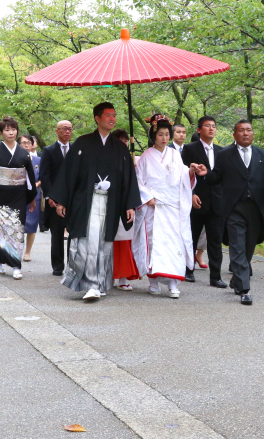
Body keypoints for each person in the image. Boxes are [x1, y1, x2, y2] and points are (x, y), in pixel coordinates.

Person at [50, 103, 141, 301]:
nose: (112, 119)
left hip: (111, 202)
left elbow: (128, 178)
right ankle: (91, 284)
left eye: (114, 115)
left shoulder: (120, 148)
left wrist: (129, 205)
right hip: (86, 202)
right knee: (88, 242)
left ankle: (99, 284)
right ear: (97, 118)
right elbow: (69, 173)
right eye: (108, 115)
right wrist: (61, 201)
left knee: (104, 244)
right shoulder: (82, 143)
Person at [194, 120, 264, 305]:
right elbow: (216, 177)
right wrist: (206, 173)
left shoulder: (263, 155)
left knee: (248, 248)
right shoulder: (225, 154)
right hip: (233, 209)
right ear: (234, 134)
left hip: (255, 209)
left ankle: (237, 279)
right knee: (237, 247)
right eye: (241, 130)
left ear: (253, 134)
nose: (245, 133)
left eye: (249, 130)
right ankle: (245, 290)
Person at [136, 115, 198, 298]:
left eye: (166, 134)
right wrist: (148, 197)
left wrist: (192, 171)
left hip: (172, 205)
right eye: (160, 134)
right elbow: (139, 181)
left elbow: (183, 176)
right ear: (153, 136)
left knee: (173, 242)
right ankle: (153, 281)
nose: (164, 138)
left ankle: (173, 283)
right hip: (154, 205)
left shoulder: (174, 154)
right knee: (154, 242)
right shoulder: (146, 156)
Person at [0, 118, 37, 279]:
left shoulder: (24, 153)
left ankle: (16, 265)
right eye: (7, 130)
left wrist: (32, 198)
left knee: (17, 230)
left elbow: (29, 178)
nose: (11, 132)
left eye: (13, 129)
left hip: (19, 195)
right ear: (1, 132)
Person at [181, 116, 226, 287]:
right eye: (207, 126)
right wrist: (191, 193)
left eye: (214, 126)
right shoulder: (190, 148)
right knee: (191, 236)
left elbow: (222, 177)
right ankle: (188, 270)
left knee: (215, 240)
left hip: (216, 202)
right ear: (199, 130)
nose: (211, 129)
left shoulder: (222, 151)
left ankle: (215, 277)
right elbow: (183, 174)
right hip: (196, 199)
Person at [111, 129, 148, 290]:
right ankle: (107, 276)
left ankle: (123, 278)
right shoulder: (106, 158)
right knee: (108, 244)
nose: (124, 143)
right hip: (109, 203)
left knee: (125, 242)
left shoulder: (132, 160)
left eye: (125, 140)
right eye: (120, 140)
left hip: (125, 204)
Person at [40, 120, 73, 276]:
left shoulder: (76, 150)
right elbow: (45, 175)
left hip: (73, 199)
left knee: (73, 233)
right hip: (55, 199)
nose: (67, 131)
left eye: (70, 129)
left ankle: (72, 265)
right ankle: (58, 266)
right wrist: (50, 196)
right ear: (57, 131)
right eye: (64, 129)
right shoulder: (48, 150)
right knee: (57, 234)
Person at [19, 134, 42, 262]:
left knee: (32, 225)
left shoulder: (38, 160)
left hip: (34, 195)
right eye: (23, 143)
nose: (27, 145)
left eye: (29, 143)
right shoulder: (15, 159)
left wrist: (36, 184)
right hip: (17, 196)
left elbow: (43, 176)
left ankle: (27, 252)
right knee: (18, 224)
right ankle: (17, 250)